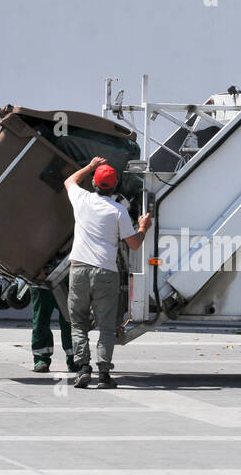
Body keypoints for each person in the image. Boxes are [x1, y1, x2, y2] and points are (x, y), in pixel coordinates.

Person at [63, 156, 151, 389]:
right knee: (106, 326)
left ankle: (82, 369)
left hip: (79, 269)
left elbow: (69, 181)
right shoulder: (119, 211)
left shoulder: (81, 199)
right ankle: (103, 375)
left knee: (78, 323)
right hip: (106, 272)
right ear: (114, 187)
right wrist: (143, 227)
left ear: (93, 183)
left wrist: (90, 166)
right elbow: (133, 244)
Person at [29, 287, 76, 374]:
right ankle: (41, 359)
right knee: (40, 321)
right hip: (40, 282)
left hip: (65, 281)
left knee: (70, 322)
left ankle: (75, 359)